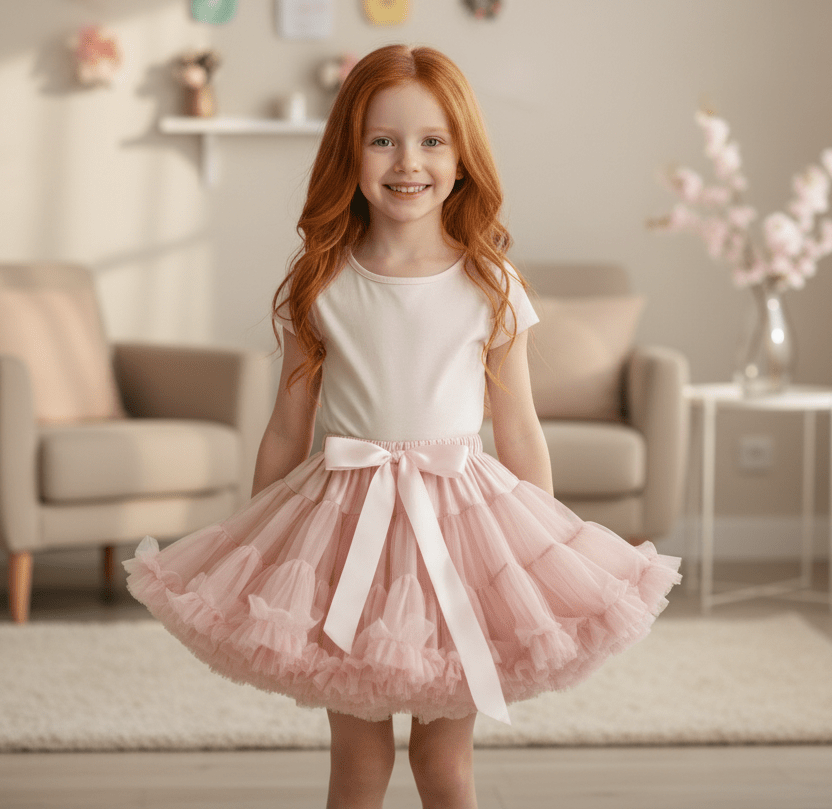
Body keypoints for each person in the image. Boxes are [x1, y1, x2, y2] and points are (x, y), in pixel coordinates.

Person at [124, 44, 682, 809]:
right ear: (348, 153)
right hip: (341, 522)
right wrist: (256, 546)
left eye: (431, 140)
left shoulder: (490, 283)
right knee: (357, 759)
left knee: (444, 761)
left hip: (460, 524)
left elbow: (517, 427)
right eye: (381, 140)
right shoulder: (320, 280)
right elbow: (289, 427)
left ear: (462, 156)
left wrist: (540, 548)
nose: (406, 161)